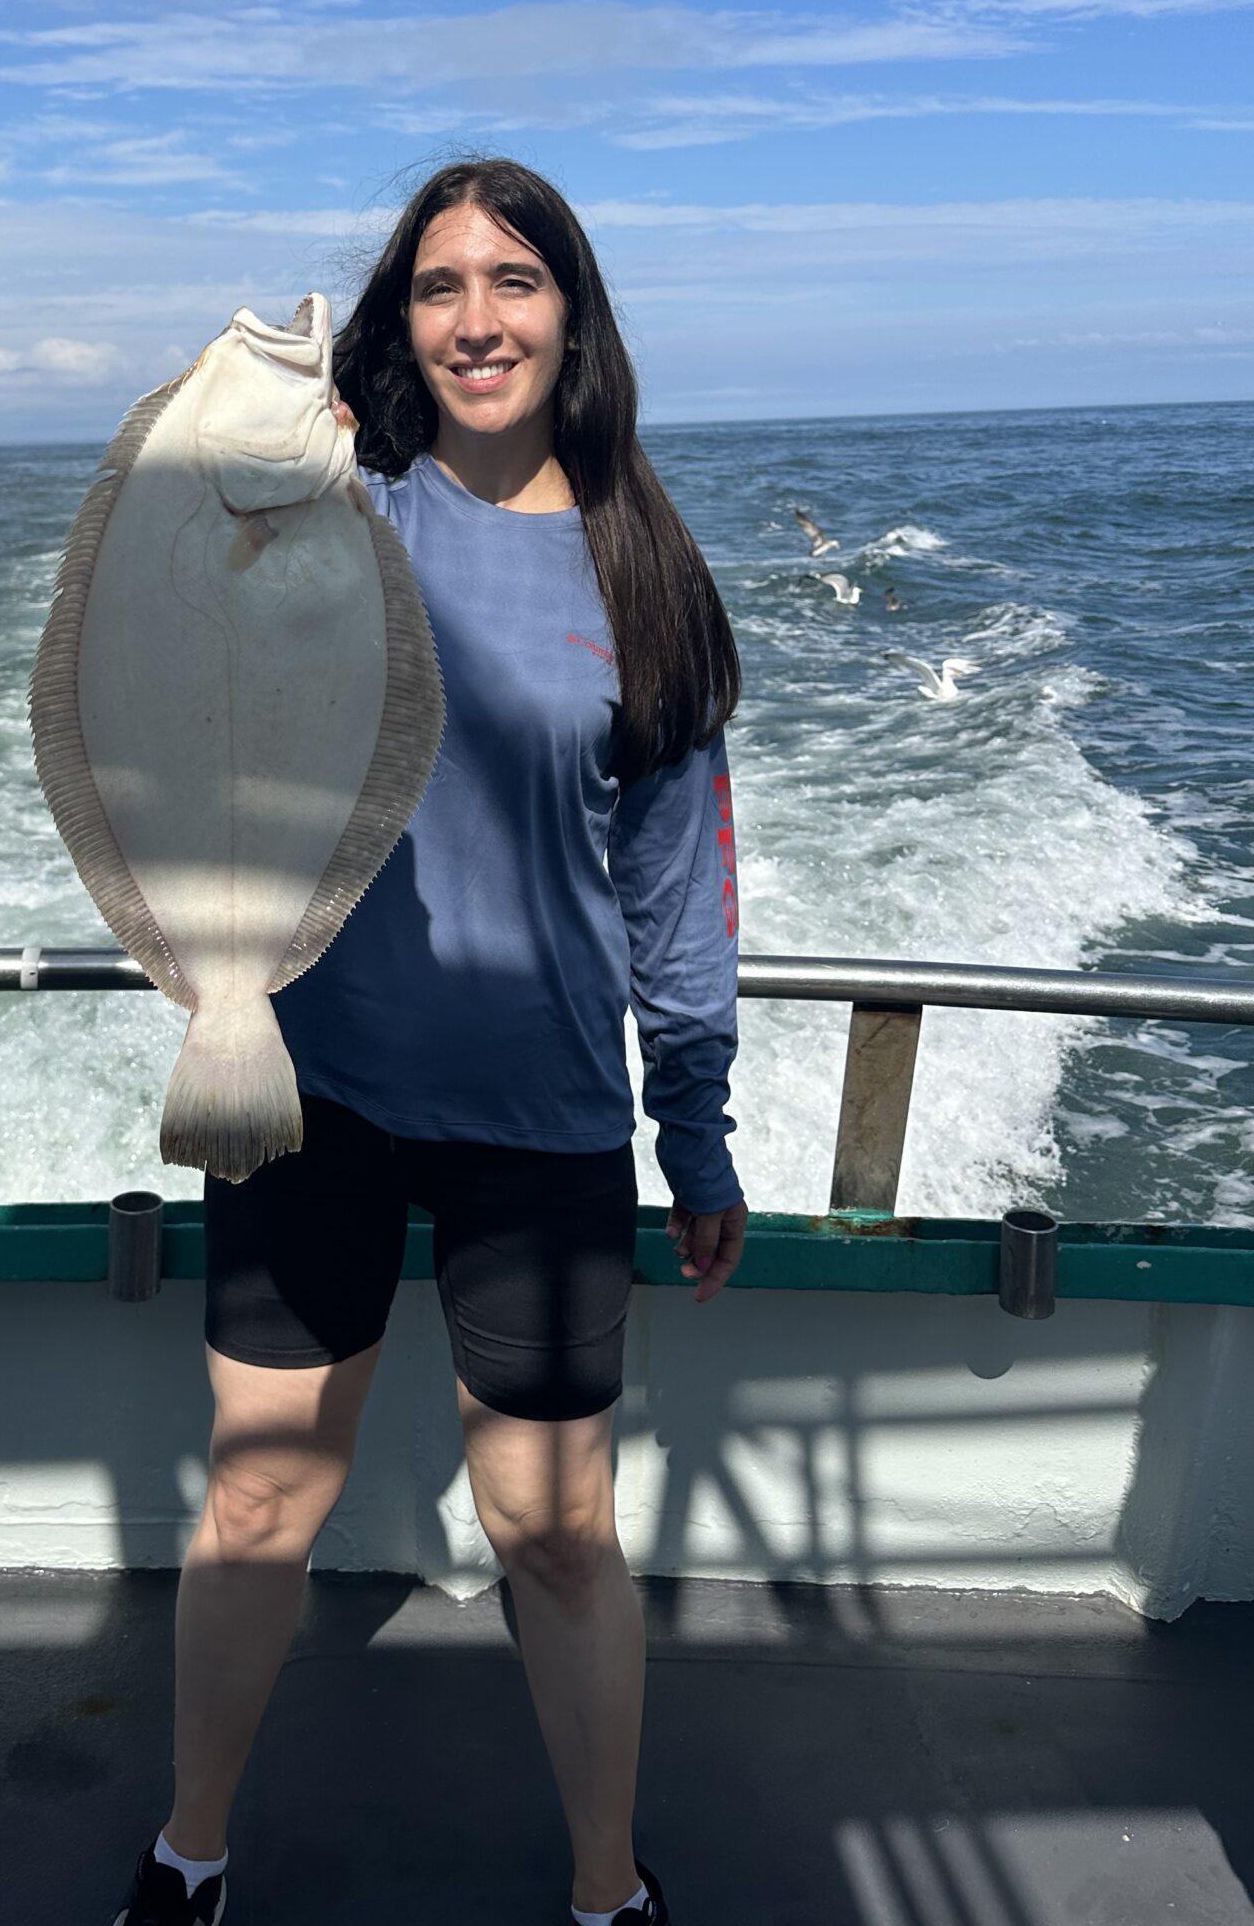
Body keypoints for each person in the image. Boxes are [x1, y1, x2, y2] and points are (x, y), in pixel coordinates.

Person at [115, 158, 747, 1926]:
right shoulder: (331, 512)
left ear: (574, 313)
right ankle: (190, 1854)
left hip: (543, 1117)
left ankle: (608, 1889)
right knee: (256, 1507)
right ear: (402, 319)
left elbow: (677, 902)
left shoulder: (649, 576)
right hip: (305, 1087)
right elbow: (159, 615)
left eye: (517, 281)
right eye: (442, 286)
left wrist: (693, 1139)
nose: (479, 320)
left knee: (554, 1533)